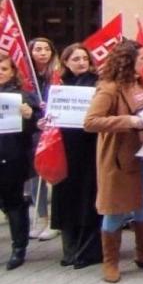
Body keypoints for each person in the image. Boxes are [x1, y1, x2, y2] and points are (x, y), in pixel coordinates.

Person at [84, 40, 143, 283]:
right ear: (128, 61)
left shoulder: (139, 83)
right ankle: (111, 262)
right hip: (119, 158)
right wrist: (127, 121)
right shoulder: (109, 88)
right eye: (141, 58)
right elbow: (91, 122)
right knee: (116, 207)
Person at [50, 44, 102, 269]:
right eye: (75, 59)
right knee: (66, 198)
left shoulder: (97, 84)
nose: (81, 62)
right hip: (65, 149)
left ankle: (88, 250)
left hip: (89, 148)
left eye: (84, 58)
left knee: (87, 199)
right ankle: (69, 249)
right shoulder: (59, 86)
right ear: (66, 63)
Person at [0, 54, 43, 270]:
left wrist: (29, 116)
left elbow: (40, 125)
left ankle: (19, 248)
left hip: (12, 158)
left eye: (4, 69)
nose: (0, 72)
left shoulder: (23, 97)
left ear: (12, 72)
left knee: (14, 203)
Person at [27, 37, 60, 242]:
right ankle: (41, 217)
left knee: (56, 173)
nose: (42, 53)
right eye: (38, 49)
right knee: (35, 175)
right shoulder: (25, 77)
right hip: (34, 130)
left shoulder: (57, 75)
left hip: (55, 130)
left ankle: (55, 221)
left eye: (46, 49)